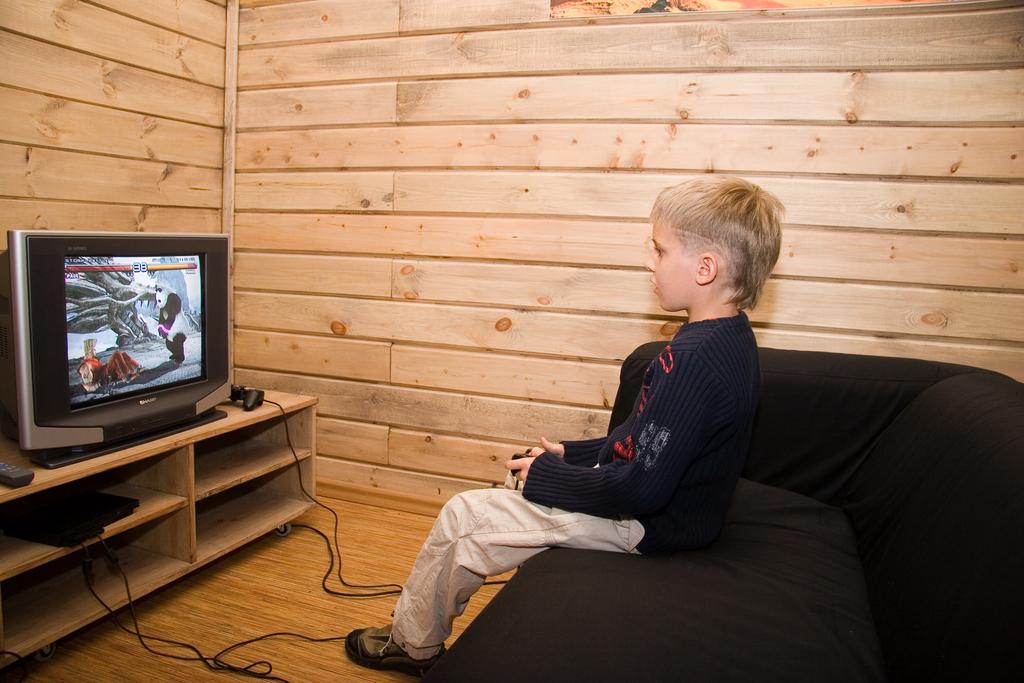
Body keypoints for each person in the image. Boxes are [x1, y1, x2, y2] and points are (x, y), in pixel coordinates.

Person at [345, 176, 785, 676]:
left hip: (650, 528)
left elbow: (641, 488)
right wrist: (570, 457)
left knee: (465, 516)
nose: (649, 262)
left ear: (706, 268)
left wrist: (548, 478)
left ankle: (412, 646)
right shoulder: (727, 339)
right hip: (670, 514)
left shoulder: (693, 362)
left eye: (660, 251)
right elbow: (645, 438)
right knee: (510, 488)